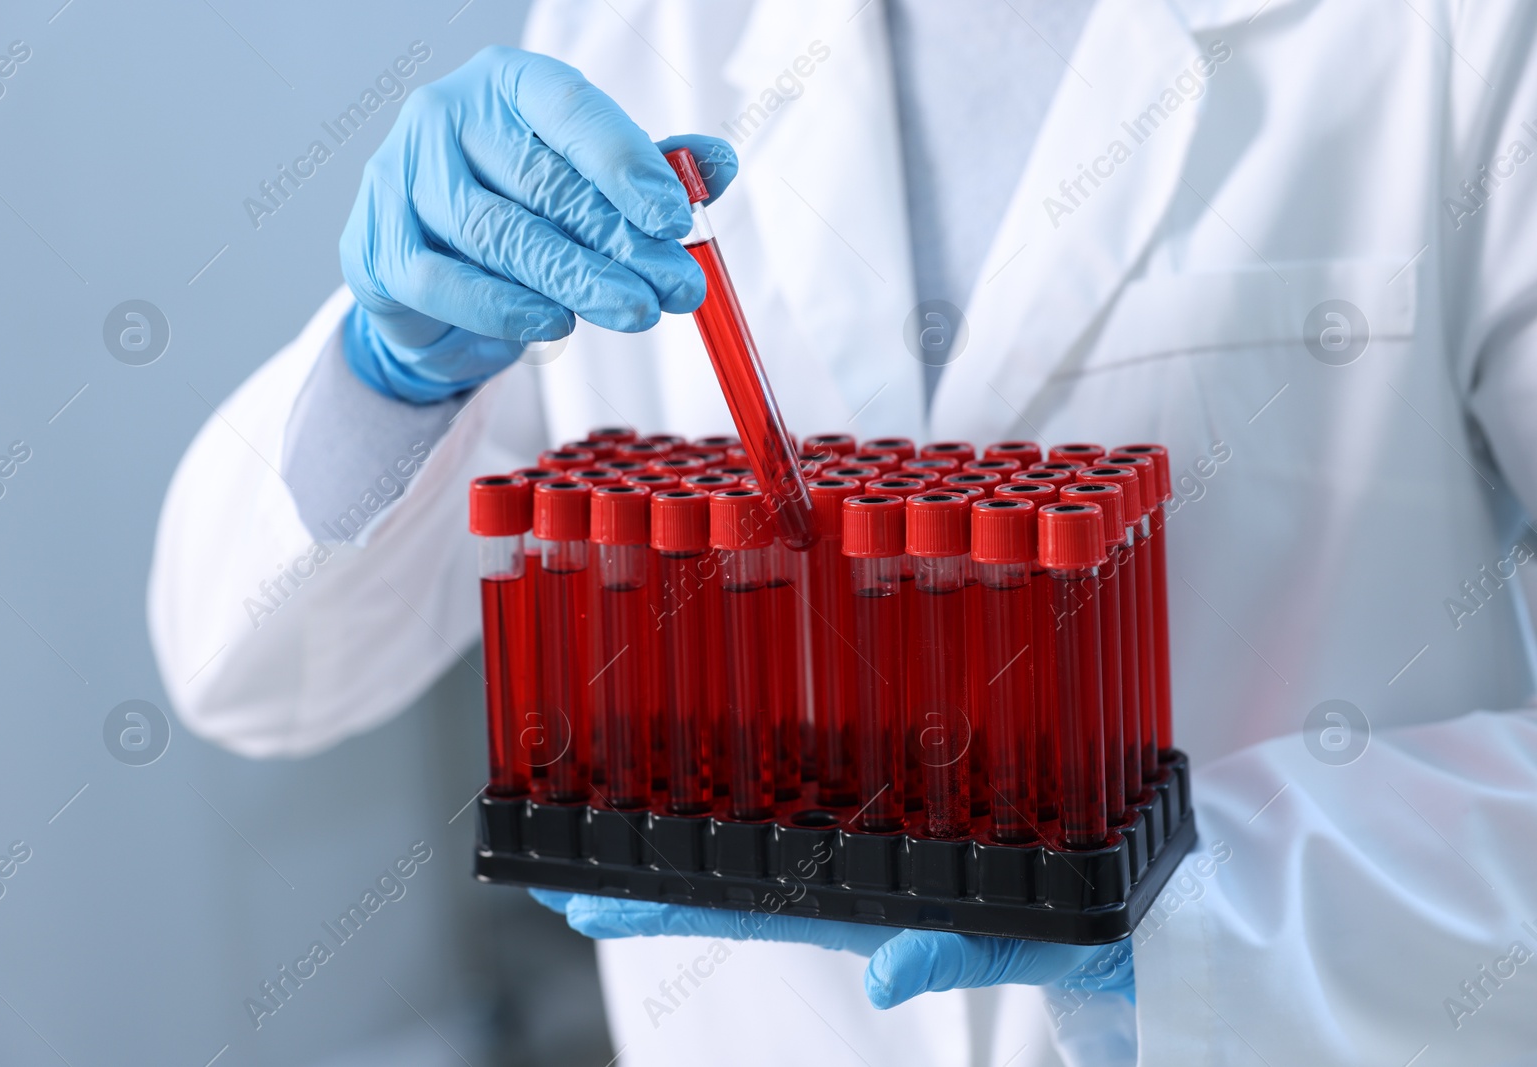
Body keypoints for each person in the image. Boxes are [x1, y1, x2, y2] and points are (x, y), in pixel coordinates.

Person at [148, 1, 1537, 1063]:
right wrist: (393, 370)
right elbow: (245, 669)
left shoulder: (1451, 36)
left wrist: (1206, 909)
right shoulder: (645, 30)